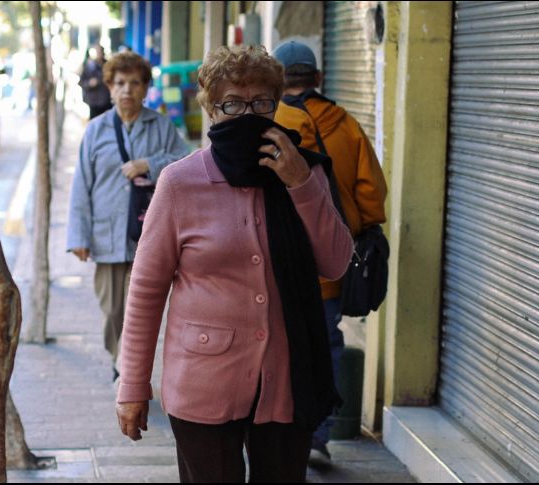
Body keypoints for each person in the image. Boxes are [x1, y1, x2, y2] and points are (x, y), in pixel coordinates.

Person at [115, 45, 354, 483]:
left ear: (276, 105)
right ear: (211, 109)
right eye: (232, 103)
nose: (248, 114)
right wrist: (132, 387)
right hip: (203, 382)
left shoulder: (305, 171)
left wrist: (300, 184)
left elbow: (337, 263)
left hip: (287, 380)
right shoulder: (180, 183)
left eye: (261, 102)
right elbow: (146, 291)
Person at [272, 40, 388, 468]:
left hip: (279, 262)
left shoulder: (270, 124)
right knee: (324, 344)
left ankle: (279, 432)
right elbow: (372, 197)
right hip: (332, 263)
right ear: (318, 78)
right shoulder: (347, 125)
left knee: (279, 347)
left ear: (277, 81)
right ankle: (318, 435)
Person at [67, 51, 190, 381]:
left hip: (148, 232)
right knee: (112, 310)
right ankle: (118, 356)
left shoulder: (161, 127)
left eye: (135, 83)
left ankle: (129, 369)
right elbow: (82, 185)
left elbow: (184, 163)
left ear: (146, 88)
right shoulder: (95, 131)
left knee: (143, 309)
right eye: (120, 83)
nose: (127, 91)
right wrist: (78, 236)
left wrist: (149, 163)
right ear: (109, 87)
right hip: (106, 234)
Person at [79, 45, 113, 120]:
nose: (99, 54)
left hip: (107, 102)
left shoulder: (109, 66)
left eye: (100, 52)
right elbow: (81, 82)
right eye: (97, 52)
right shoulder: (89, 66)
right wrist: (89, 83)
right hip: (94, 103)